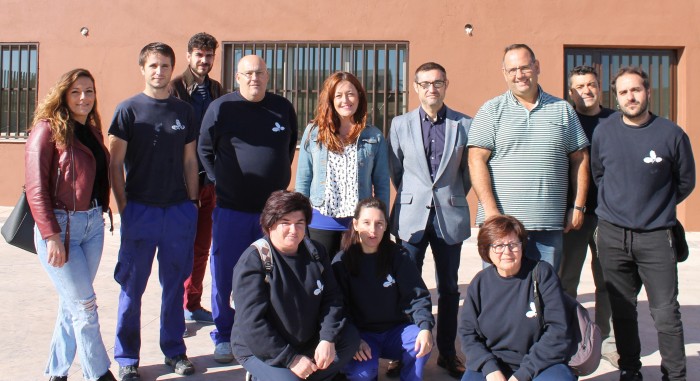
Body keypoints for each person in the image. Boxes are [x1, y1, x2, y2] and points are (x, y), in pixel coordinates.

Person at [591, 66, 695, 381]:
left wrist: (655, 207)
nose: (630, 97)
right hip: (612, 236)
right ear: (617, 97)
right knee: (622, 312)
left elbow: (685, 182)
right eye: (623, 92)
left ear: (648, 92)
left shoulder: (671, 134)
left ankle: (674, 375)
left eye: (636, 90)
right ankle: (630, 370)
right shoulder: (604, 132)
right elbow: (599, 175)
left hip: (656, 237)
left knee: (665, 314)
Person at [198, 54, 298, 363]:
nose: (254, 78)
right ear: (238, 78)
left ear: (268, 76)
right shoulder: (221, 108)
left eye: (260, 72)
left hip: (273, 216)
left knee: (275, 275)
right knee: (225, 274)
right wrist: (220, 180)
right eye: (248, 73)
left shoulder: (282, 108)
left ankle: (268, 331)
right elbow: (204, 149)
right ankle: (225, 334)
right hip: (231, 210)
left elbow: (290, 143)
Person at [109, 42, 199, 381]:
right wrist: (123, 207)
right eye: (153, 66)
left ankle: (174, 351)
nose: (159, 71)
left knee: (174, 287)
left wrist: (192, 204)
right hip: (141, 212)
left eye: (164, 66)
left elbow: (191, 160)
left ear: (171, 69)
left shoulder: (184, 111)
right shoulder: (128, 110)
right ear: (143, 69)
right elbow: (115, 163)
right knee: (132, 288)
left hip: (178, 212)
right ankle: (127, 356)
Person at [26, 69, 116, 381]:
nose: (84, 98)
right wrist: (50, 235)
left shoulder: (91, 131)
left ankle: (57, 371)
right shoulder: (47, 130)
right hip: (61, 229)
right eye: (76, 91)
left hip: (92, 226)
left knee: (73, 302)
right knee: (85, 305)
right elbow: (36, 188)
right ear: (64, 94)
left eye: (89, 91)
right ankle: (99, 374)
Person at [468, 44, 590, 271]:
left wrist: (578, 206)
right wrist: (491, 211)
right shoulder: (491, 111)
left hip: (549, 226)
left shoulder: (562, 110)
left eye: (525, 68)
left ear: (537, 67)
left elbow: (580, 159)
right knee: (502, 294)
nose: (519, 75)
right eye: (512, 70)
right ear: (504, 73)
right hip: (502, 226)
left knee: (545, 293)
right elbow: (476, 160)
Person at [388, 61, 470, 378]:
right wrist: (414, 196)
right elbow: (397, 170)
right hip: (411, 216)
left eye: (437, 82)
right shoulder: (400, 124)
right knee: (405, 286)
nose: (431, 88)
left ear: (446, 84)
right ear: (416, 87)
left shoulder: (464, 124)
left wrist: (449, 196)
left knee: (449, 288)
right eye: (424, 83)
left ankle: (447, 353)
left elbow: (467, 174)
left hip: (450, 216)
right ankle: (403, 350)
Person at [231, 190, 360, 381]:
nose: (294, 230)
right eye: (285, 223)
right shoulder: (254, 260)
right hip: (262, 348)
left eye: (299, 223)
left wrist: (327, 338)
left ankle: (307, 374)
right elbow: (252, 324)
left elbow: (332, 298)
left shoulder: (316, 251)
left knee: (349, 339)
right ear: (270, 224)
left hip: (306, 339)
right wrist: (290, 359)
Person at [459, 215, 575, 381]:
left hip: (540, 364)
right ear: (486, 250)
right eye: (498, 245)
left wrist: (522, 375)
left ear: (522, 246)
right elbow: (467, 334)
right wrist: (489, 368)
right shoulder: (480, 282)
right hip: (493, 365)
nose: (507, 251)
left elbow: (558, 330)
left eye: (513, 244)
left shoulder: (542, 274)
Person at [332, 197, 434, 381]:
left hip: (396, 332)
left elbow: (416, 296)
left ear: (386, 226)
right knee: (362, 373)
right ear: (355, 224)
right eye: (366, 223)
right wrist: (353, 339)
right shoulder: (342, 261)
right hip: (362, 335)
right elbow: (336, 308)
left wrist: (425, 327)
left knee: (420, 341)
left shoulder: (399, 256)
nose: (373, 230)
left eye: (379, 223)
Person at [558, 65, 618, 366]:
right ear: (572, 92)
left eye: (592, 84)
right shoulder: (566, 120)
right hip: (573, 214)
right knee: (567, 280)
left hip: (610, 215)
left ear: (600, 88)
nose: (587, 90)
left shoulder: (616, 120)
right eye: (580, 86)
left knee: (607, 281)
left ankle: (607, 340)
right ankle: (571, 337)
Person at [296, 71, 390, 256]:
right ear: (330, 100)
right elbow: (303, 181)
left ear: (359, 97)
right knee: (322, 278)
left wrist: (381, 221)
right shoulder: (314, 132)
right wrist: (300, 220)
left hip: (358, 224)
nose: (345, 100)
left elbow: (381, 185)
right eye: (338, 95)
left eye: (350, 94)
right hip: (319, 222)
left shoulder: (373, 136)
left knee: (354, 280)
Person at [168, 32, 224, 325]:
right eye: (199, 55)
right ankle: (173, 309)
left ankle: (192, 303)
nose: (204, 61)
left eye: (209, 55)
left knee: (202, 247)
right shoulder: (173, 87)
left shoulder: (218, 90)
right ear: (188, 55)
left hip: (209, 181)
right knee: (179, 248)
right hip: (180, 183)